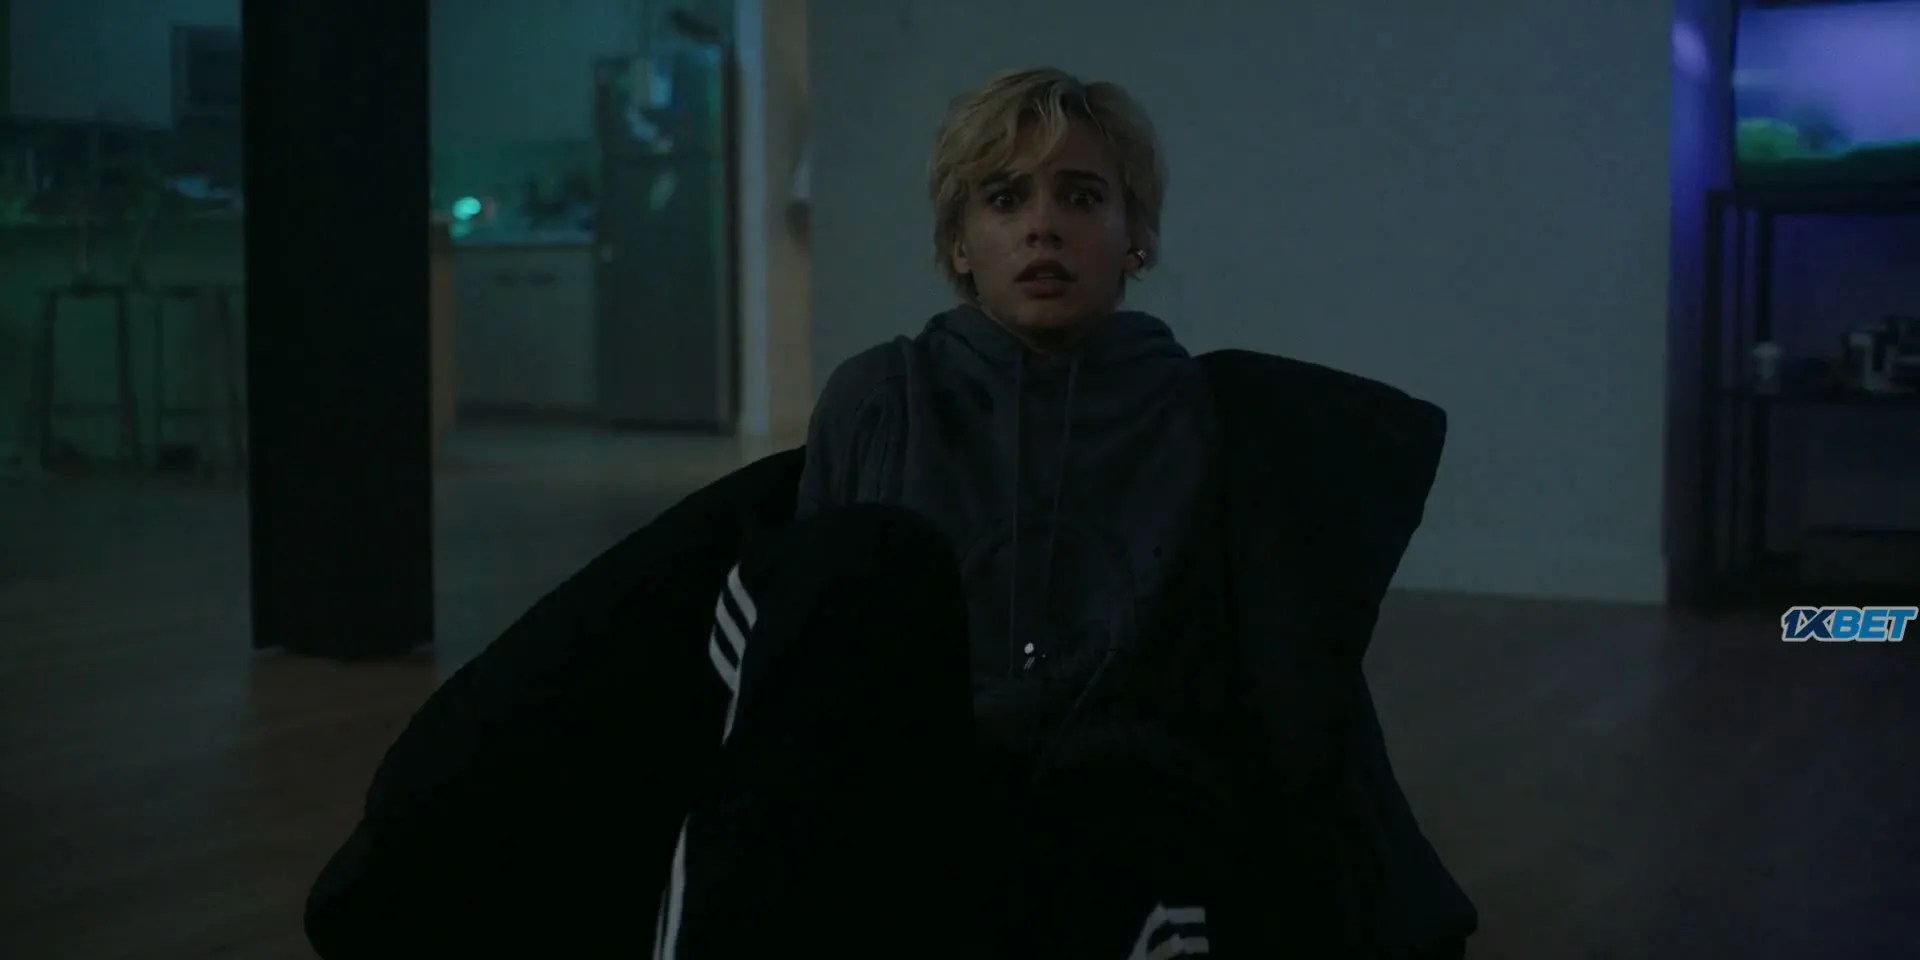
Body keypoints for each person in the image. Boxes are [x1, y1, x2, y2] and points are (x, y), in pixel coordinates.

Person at [305, 67, 1475, 960]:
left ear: (1137, 237)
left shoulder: (1198, 417)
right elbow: (819, 658)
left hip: (1108, 785)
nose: (1043, 225)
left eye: (1081, 196)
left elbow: (1216, 658)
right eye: (1005, 198)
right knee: (859, 566)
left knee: (1120, 875)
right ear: (959, 242)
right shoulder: (885, 393)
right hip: (916, 769)